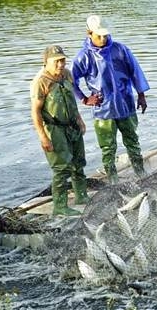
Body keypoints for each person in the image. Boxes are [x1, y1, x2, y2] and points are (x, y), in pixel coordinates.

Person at [72, 14, 150, 183]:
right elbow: (71, 81)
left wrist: (141, 95)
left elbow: (135, 72)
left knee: (132, 141)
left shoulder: (120, 49)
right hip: (103, 109)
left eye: (105, 35)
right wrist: (85, 99)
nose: (103, 38)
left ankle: (141, 173)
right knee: (108, 148)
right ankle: (113, 180)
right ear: (89, 33)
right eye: (98, 35)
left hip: (125, 105)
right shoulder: (83, 57)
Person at [30, 45, 89, 216]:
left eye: (62, 60)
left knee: (79, 163)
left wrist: (80, 120)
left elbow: (71, 100)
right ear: (46, 62)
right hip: (54, 129)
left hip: (73, 125)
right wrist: (43, 137)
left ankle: (82, 196)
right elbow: (35, 111)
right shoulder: (40, 81)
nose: (60, 64)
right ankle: (60, 206)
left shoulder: (67, 74)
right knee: (61, 168)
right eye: (56, 61)